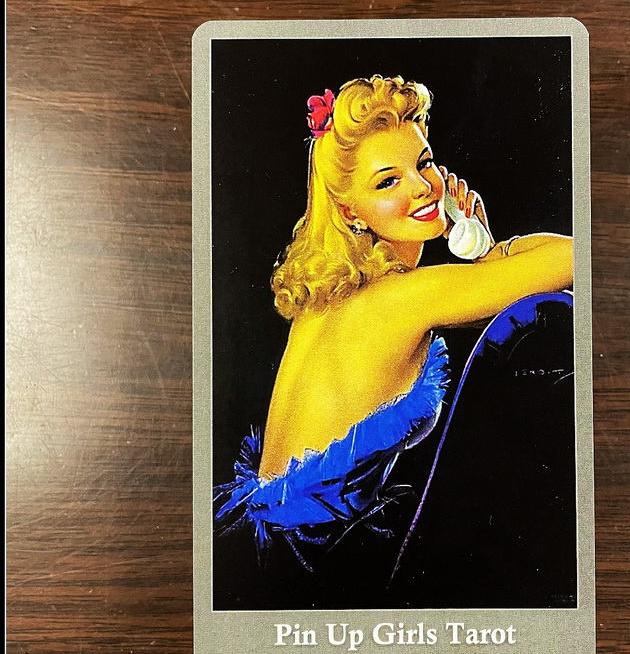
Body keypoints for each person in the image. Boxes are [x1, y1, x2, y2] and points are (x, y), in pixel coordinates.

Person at [214, 75, 573, 571]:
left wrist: (483, 253)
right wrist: (490, 251)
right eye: (388, 181)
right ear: (351, 211)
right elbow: (574, 258)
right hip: (310, 566)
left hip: (271, 551)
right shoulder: (400, 299)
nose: (423, 187)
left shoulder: (339, 297)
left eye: (423, 163)